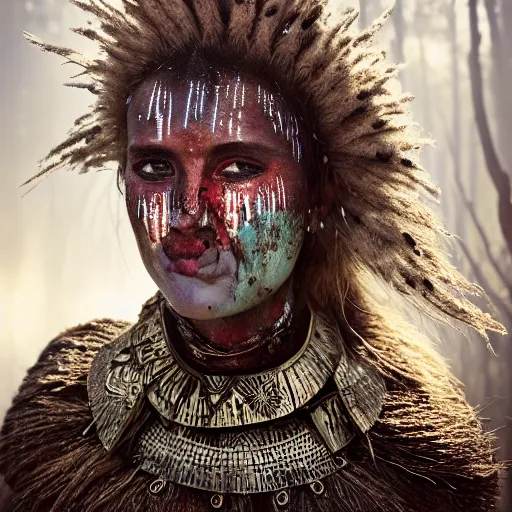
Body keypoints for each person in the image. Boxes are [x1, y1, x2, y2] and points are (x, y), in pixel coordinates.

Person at [0, 1, 505, 511]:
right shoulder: (60, 414)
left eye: (238, 167)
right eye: (154, 167)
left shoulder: (414, 453)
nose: (185, 216)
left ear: (319, 191)